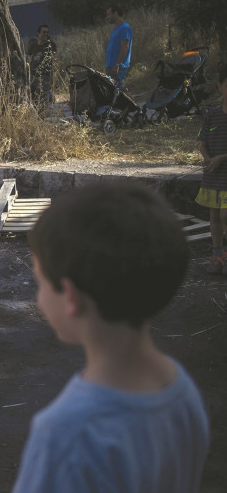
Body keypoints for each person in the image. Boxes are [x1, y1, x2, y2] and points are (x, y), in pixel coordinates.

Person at [12, 182, 210, 493]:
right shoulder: (182, 391)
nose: (38, 297)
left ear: (71, 298)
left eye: (40, 283)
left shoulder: (67, 434)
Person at [196, 65, 227, 275]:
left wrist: (221, 158)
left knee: (226, 215)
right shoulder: (211, 115)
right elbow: (202, 142)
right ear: (219, 87)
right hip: (213, 174)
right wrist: (208, 159)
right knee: (214, 216)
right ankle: (217, 256)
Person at [27, 24, 58, 107]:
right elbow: (28, 58)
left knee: (41, 99)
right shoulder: (33, 44)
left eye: (47, 32)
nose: (46, 34)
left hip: (45, 75)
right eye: (43, 32)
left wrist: (53, 75)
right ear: (38, 33)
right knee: (30, 95)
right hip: (32, 74)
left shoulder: (51, 45)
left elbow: (54, 61)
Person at [105, 4, 132, 88]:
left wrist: (117, 65)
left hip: (118, 67)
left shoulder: (124, 27)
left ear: (115, 13)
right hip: (111, 65)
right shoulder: (116, 28)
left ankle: (131, 101)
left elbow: (125, 47)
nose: (107, 17)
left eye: (109, 14)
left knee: (117, 92)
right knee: (113, 91)